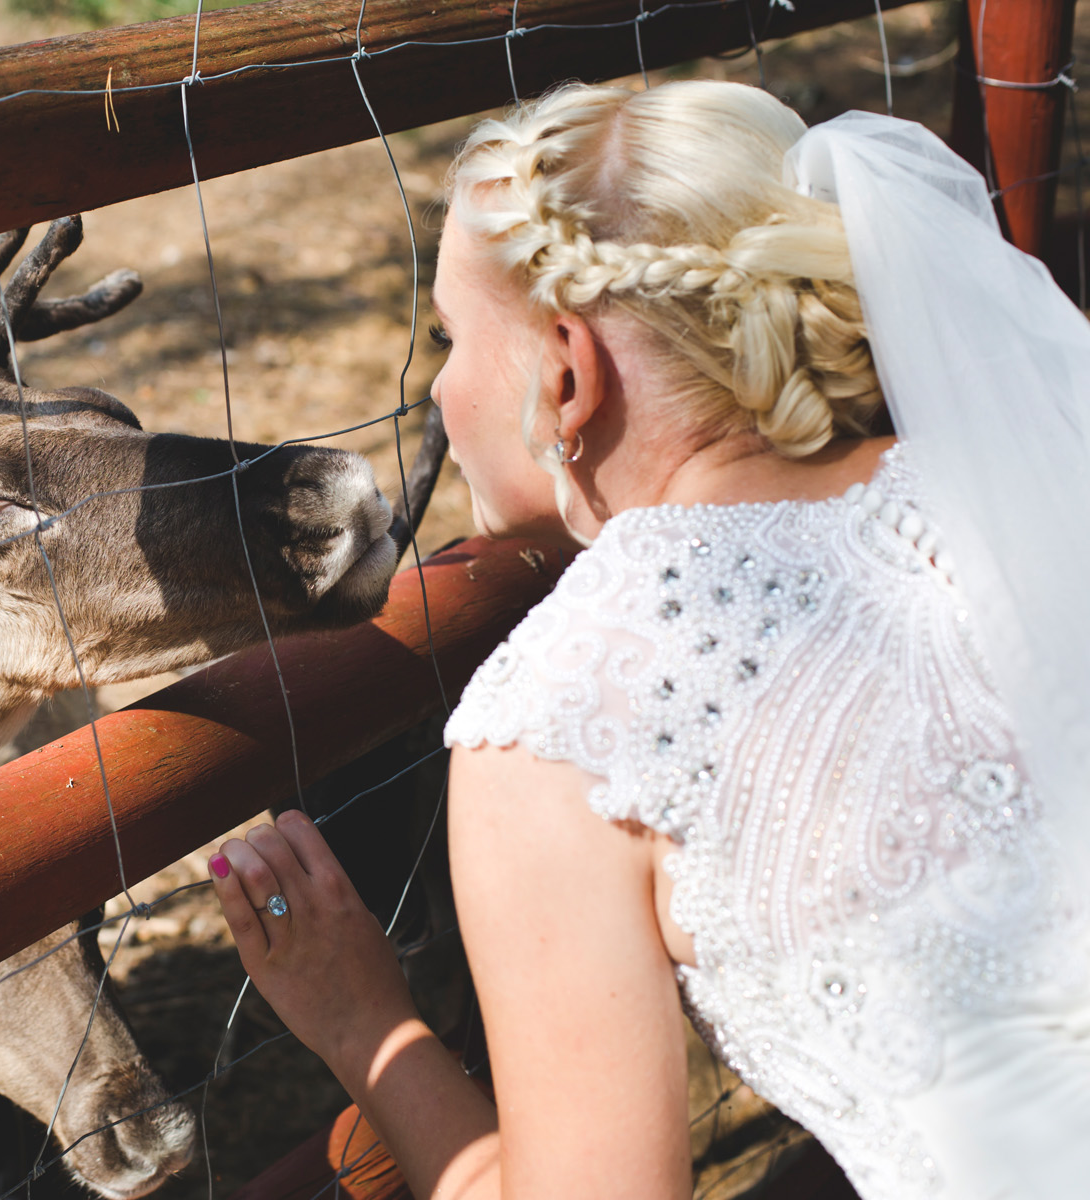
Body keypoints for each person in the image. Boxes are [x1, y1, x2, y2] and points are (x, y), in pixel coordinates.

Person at [205, 79, 1090, 1200]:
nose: (438, 387)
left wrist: (365, 1027)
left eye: (449, 338)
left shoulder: (568, 710)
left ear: (567, 374)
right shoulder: (1023, 478)